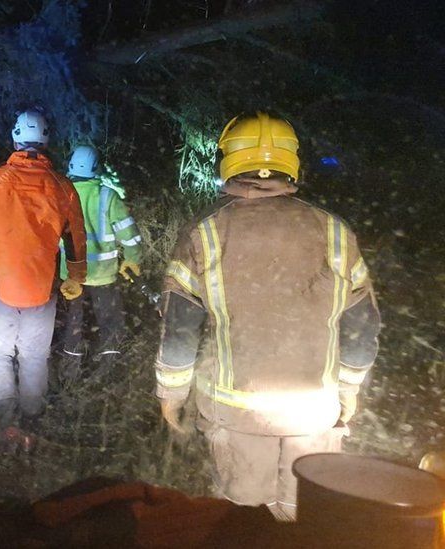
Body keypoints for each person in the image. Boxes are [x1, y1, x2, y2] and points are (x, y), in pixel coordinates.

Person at [154, 112, 381, 522]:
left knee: (246, 521)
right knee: (304, 520)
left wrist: (171, 394)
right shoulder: (334, 232)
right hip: (314, 414)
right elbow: (362, 325)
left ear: (229, 162)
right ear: (291, 163)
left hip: (237, 413)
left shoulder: (205, 233)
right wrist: (349, 388)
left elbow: (179, 329)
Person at [0, 109, 86, 444]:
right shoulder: (63, 187)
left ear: (15, 138)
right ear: (46, 142)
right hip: (43, 289)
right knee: (33, 355)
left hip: (1, 285)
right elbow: (75, 236)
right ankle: (32, 419)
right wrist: (76, 275)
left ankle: (5, 421)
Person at [57, 146, 143, 384]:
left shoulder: (62, 195)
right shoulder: (108, 196)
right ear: (97, 168)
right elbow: (129, 234)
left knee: (74, 322)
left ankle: (69, 376)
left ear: (71, 165)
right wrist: (133, 259)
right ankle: (108, 375)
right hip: (105, 275)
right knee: (109, 322)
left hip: (73, 276)